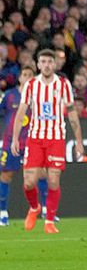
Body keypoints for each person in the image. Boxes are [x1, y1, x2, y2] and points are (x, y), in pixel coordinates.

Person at [11, 50, 84, 233]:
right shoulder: (30, 85)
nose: (46, 65)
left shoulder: (63, 84)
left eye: (50, 62)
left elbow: (72, 113)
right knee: (29, 182)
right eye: (43, 62)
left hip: (56, 138)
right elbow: (21, 113)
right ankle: (35, 207)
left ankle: (49, 221)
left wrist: (79, 141)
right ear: (38, 64)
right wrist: (14, 139)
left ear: (55, 64)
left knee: (53, 180)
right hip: (35, 138)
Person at [0, 65, 35, 226]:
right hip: (10, 143)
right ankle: (2, 212)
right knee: (6, 175)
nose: (27, 77)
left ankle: (42, 211)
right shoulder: (9, 96)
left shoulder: (37, 95)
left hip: (31, 141)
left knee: (38, 175)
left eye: (30, 75)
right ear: (20, 78)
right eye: (25, 75)